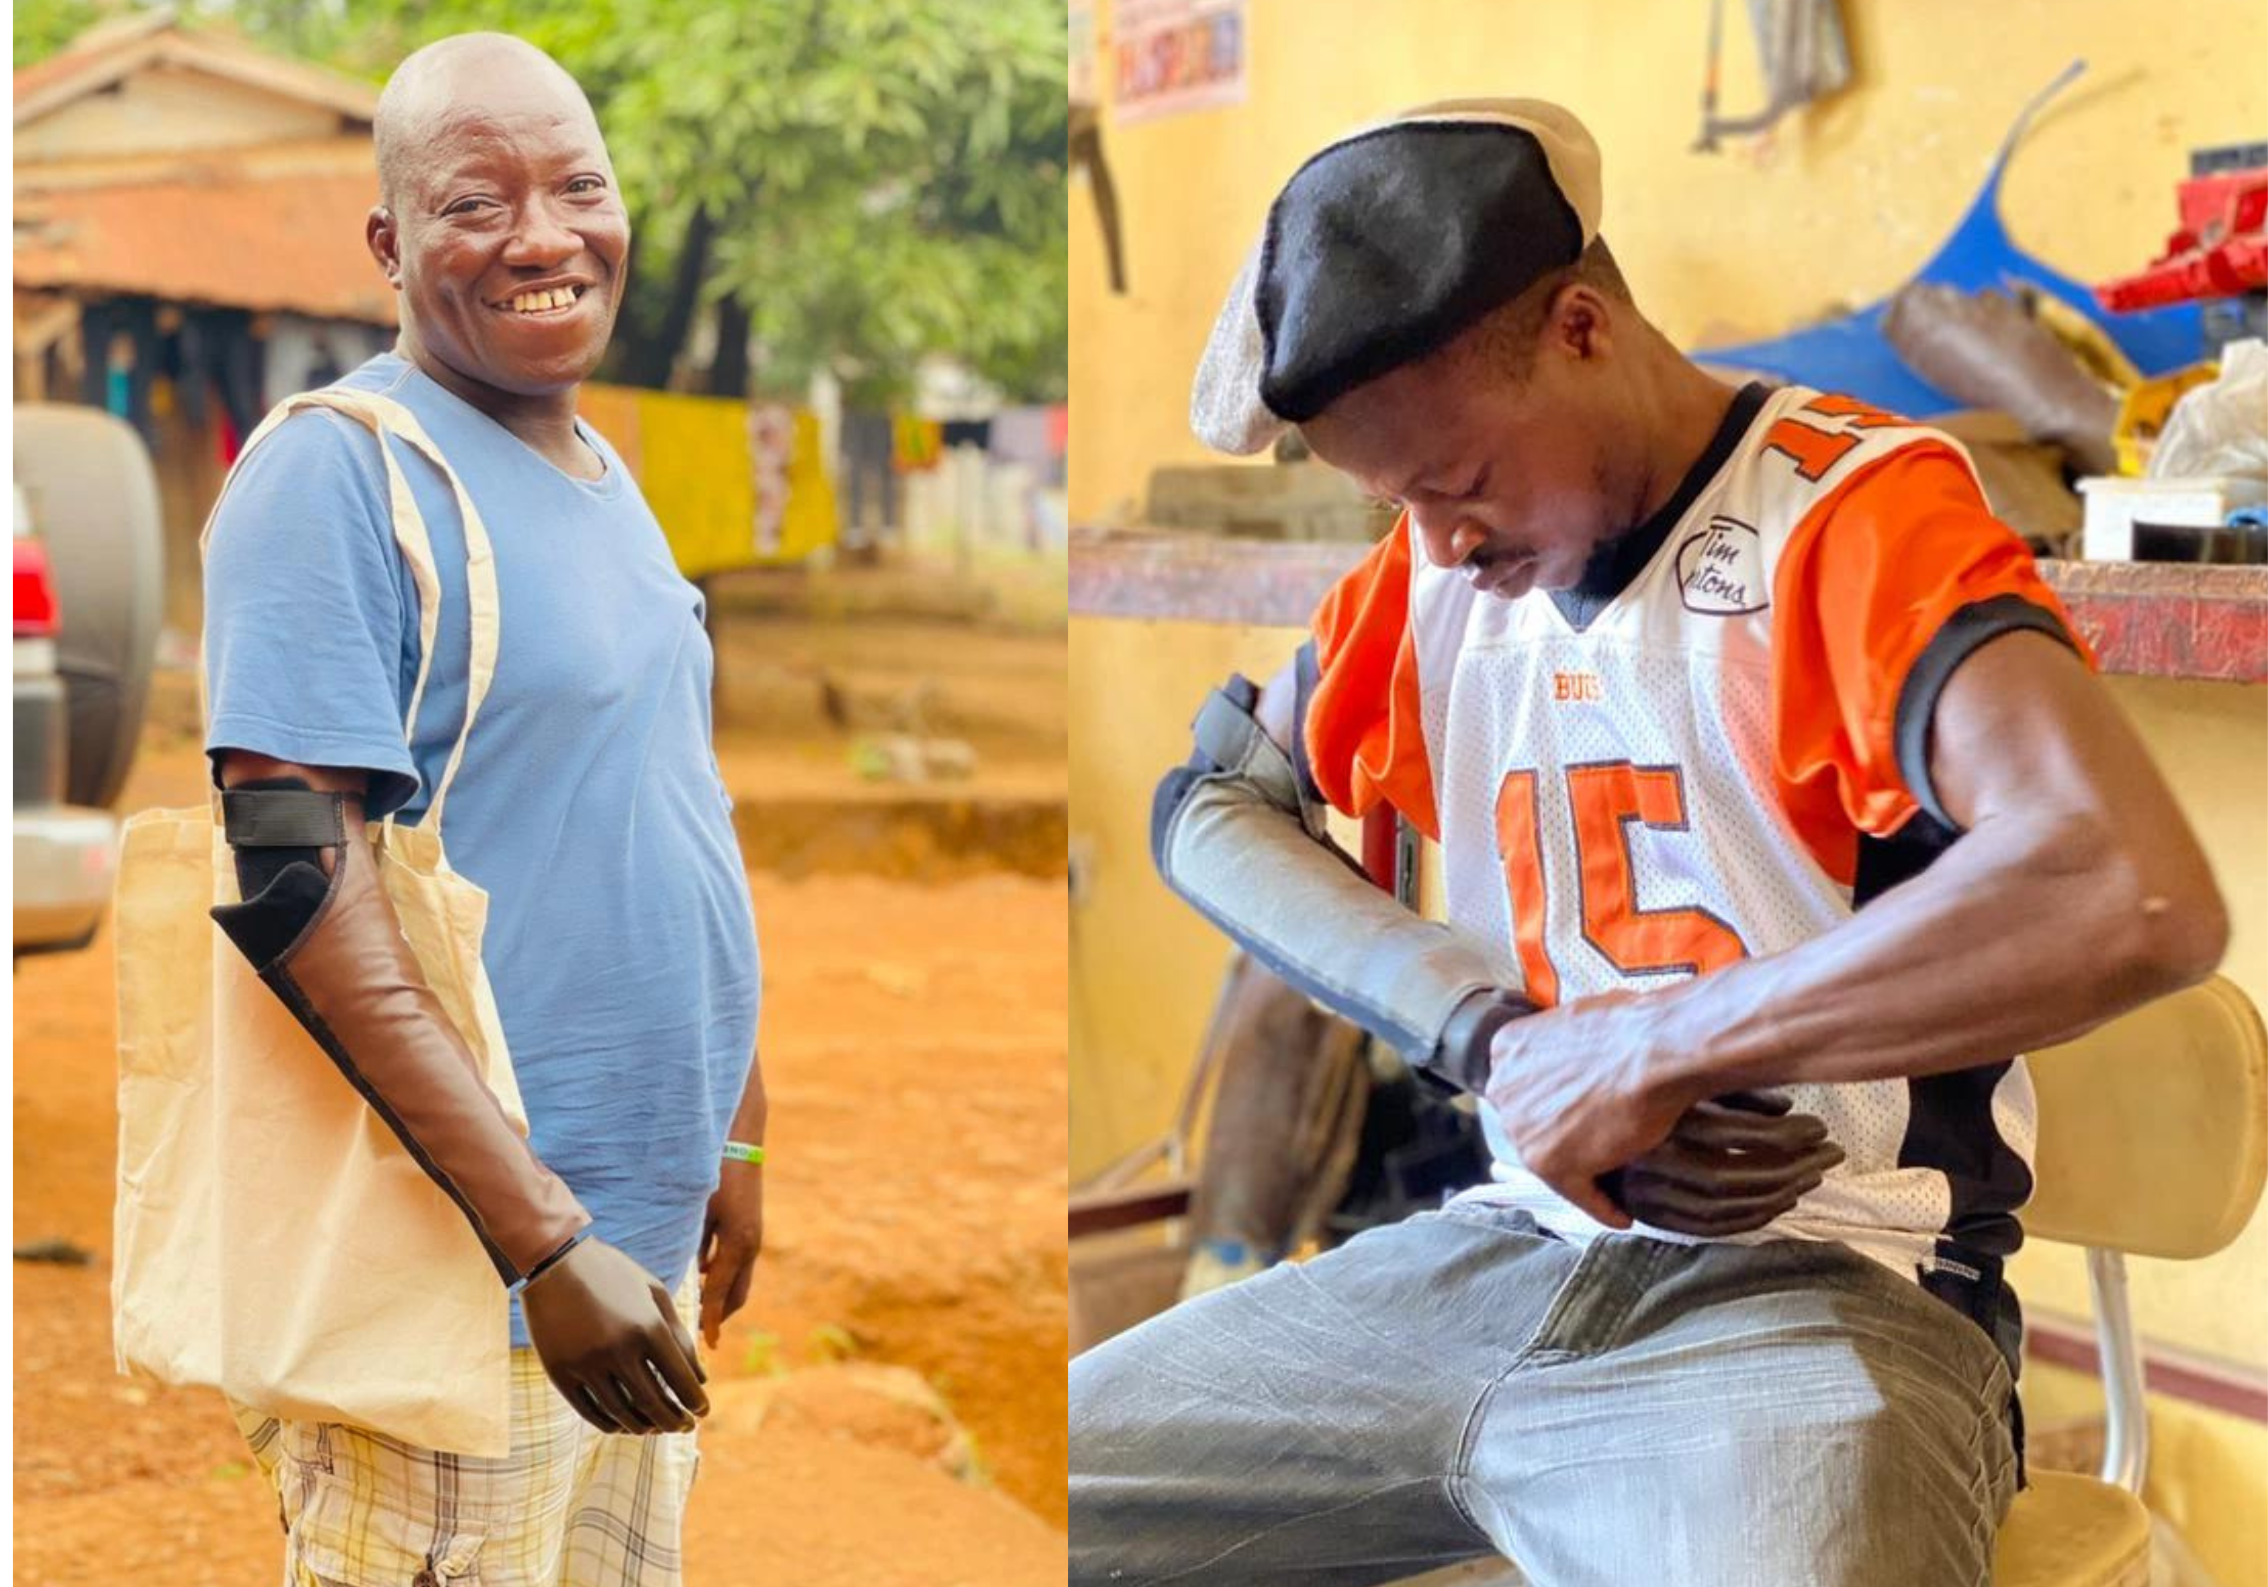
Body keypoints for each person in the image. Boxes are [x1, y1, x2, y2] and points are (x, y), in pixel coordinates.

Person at [1071, 99, 2227, 1585]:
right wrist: (1496, 1038)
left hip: (1832, 1300)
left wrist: (1651, 1049)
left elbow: (2125, 883)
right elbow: (1212, 809)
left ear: (1579, 330)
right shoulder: (1432, 582)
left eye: (1460, 483)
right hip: (1493, 1263)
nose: (1436, 547)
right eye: (1393, 502)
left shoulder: (1846, 520)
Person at [200, 33, 765, 1586]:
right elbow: (293, 883)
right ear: (390, 245)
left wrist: (734, 1129)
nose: (543, 234)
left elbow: (668, 798)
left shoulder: (596, 465)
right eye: (477, 201)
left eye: (579, 185)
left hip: (624, 1249)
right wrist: (541, 1236)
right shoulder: (337, 474)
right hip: (464, 1272)